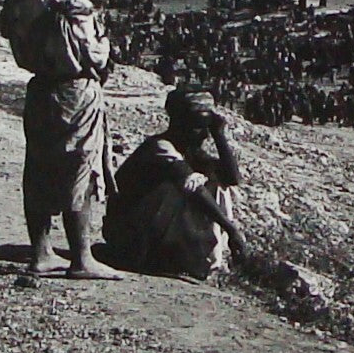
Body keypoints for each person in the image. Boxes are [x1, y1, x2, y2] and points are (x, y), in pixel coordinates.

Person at [0, 0, 120, 280]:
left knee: (38, 167)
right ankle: (82, 258)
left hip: (40, 88)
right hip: (75, 91)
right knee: (79, 167)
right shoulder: (74, 4)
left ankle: (41, 252)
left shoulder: (21, 0)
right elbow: (95, 56)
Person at [104, 86, 247, 278]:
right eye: (197, 126)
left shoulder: (190, 150)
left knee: (215, 184)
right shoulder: (160, 147)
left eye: (206, 128)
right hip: (127, 234)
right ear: (179, 123)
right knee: (196, 188)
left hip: (150, 231)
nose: (204, 134)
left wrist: (219, 135)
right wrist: (231, 229)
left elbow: (232, 178)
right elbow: (195, 189)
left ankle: (199, 259)